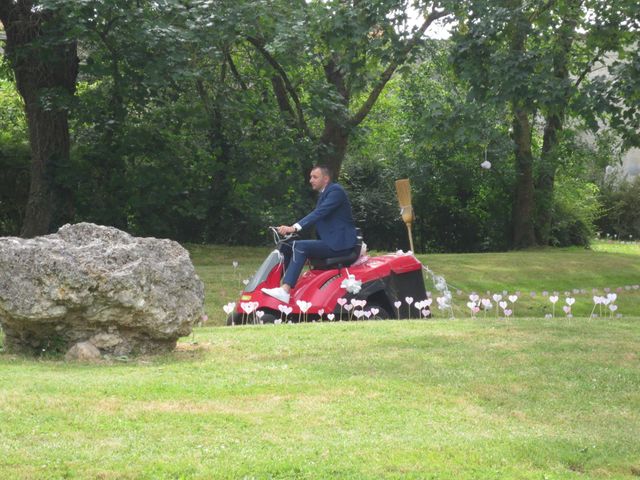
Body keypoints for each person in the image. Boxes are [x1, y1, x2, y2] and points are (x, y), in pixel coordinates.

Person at [261, 165, 358, 304]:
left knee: (300, 246)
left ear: (326, 178)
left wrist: (293, 228)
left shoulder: (336, 191)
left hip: (340, 245)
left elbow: (319, 213)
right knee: (287, 246)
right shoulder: (325, 194)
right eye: (310, 177)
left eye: (315, 177)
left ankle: (285, 289)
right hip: (332, 242)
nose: (311, 180)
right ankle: (276, 286)